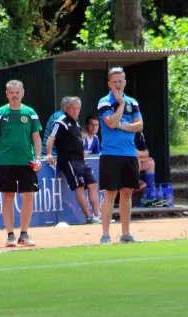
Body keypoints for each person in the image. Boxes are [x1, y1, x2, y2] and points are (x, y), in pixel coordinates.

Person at [0, 80, 43, 247]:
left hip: (27, 162)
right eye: (11, 92)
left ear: (23, 93)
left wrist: (38, 157)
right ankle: (10, 235)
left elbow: (36, 138)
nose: (14, 95)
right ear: (7, 94)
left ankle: (24, 234)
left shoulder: (31, 113)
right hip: (6, 162)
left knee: (28, 197)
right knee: (8, 197)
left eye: (17, 92)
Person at [97, 67, 143, 244]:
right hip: (111, 154)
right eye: (114, 81)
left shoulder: (133, 102)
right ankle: (105, 235)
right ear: (109, 83)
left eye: (120, 81)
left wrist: (123, 126)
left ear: (125, 82)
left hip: (129, 153)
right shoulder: (104, 102)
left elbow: (139, 126)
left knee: (127, 193)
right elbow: (111, 123)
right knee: (110, 193)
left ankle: (126, 234)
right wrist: (121, 104)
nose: (117, 84)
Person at [45, 97, 101, 224]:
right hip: (69, 160)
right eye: (72, 108)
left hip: (81, 160)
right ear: (67, 108)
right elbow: (51, 138)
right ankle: (89, 217)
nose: (75, 111)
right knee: (79, 187)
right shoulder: (61, 121)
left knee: (93, 184)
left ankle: (98, 215)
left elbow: (75, 140)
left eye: (77, 108)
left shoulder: (76, 123)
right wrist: (48, 154)